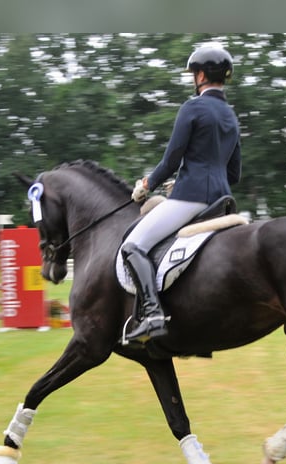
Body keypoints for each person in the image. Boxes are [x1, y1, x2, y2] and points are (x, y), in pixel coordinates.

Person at [122, 44, 242, 343]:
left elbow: (171, 160)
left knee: (132, 246)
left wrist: (146, 186)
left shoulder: (193, 107)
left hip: (190, 200)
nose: (193, 78)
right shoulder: (230, 116)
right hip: (220, 201)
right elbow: (233, 174)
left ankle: (152, 314)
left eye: (193, 74)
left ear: (200, 75)